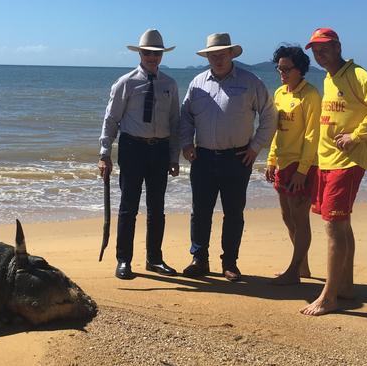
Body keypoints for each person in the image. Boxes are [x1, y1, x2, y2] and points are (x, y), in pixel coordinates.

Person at [300, 28, 367, 315]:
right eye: (315, 49)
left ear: (338, 46)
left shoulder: (355, 74)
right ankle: (347, 286)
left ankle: (329, 296)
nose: (319, 53)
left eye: (324, 47)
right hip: (328, 161)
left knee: (333, 226)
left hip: (347, 162)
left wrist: (357, 134)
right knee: (342, 224)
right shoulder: (329, 78)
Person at [179, 33, 277, 281]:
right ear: (208, 56)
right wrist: (185, 144)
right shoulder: (197, 83)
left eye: (222, 54)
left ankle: (230, 263)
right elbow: (185, 116)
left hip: (237, 158)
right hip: (202, 158)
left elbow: (269, 115)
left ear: (231, 54)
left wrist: (255, 147)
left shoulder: (250, 81)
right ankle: (199, 259)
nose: (218, 58)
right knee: (200, 211)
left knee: (234, 212)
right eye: (213, 54)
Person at [98, 29, 181, 280]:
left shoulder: (170, 84)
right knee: (128, 207)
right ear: (140, 54)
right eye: (147, 53)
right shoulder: (125, 83)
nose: (152, 57)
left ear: (162, 55)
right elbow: (111, 119)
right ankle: (124, 260)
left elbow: (175, 122)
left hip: (160, 150)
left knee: (157, 208)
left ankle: (154, 259)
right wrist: (104, 153)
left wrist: (174, 156)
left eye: (156, 53)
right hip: (132, 148)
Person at [265, 45, 321, 285]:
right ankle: (304, 267)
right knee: (286, 216)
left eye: (287, 69)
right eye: (279, 69)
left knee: (300, 217)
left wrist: (302, 170)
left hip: (302, 164)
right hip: (283, 163)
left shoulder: (310, 95)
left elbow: (312, 135)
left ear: (300, 69)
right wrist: (271, 159)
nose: (282, 73)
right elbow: (277, 131)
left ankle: (294, 270)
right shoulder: (279, 93)